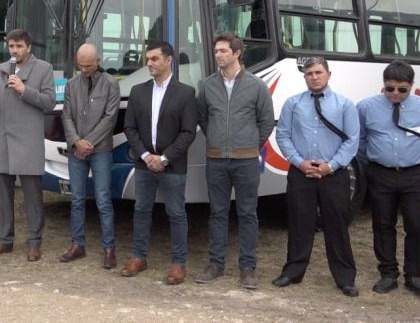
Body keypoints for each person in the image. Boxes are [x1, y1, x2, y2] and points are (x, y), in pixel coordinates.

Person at [272, 57, 359, 297]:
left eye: (319, 72)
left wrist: (330, 166)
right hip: (301, 174)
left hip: (333, 175)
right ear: (304, 77)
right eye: (309, 73)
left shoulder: (344, 105)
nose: (314, 77)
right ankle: (293, 271)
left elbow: (352, 140)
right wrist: (300, 163)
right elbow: (283, 136)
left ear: (328, 74)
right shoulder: (293, 103)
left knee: (336, 226)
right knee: (300, 224)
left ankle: (345, 278)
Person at [195, 33, 274, 289]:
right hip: (216, 161)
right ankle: (216, 264)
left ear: (237, 53)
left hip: (246, 162)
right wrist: (218, 142)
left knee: (247, 214)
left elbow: (265, 122)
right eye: (216, 50)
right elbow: (204, 119)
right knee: (217, 213)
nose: (217, 54)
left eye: (223, 51)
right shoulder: (207, 85)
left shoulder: (256, 85)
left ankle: (247, 268)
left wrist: (249, 145)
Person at [119, 41, 198, 284]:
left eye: (154, 59)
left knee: (176, 213)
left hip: (172, 164)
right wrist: (146, 156)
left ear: (168, 60)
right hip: (144, 164)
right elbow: (129, 128)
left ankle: (178, 264)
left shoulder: (186, 93)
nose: (149, 63)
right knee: (141, 210)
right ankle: (139, 257)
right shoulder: (138, 91)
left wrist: (164, 158)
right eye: (148, 59)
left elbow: (188, 132)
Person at [0, 28, 55, 262]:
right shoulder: (0, 69)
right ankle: (5, 240)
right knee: (3, 195)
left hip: (29, 141)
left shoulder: (44, 69)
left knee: (32, 196)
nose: (14, 50)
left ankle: (34, 242)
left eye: (19, 46)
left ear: (28, 47)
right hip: (3, 140)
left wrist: (25, 90)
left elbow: (50, 102)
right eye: (11, 46)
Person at [357, 59, 420, 297]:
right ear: (383, 85)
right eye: (390, 88)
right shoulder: (366, 107)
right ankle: (388, 273)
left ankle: (414, 275)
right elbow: (359, 139)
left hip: (415, 175)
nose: (395, 94)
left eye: (402, 89)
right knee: (382, 224)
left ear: (411, 85)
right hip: (381, 174)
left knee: (418, 225)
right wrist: (373, 162)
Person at [59, 43, 121, 269]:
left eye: (88, 65)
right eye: (80, 65)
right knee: (76, 199)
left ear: (98, 61)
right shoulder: (71, 84)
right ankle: (78, 245)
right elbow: (66, 116)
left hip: (101, 150)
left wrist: (88, 142)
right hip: (77, 150)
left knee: (103, 200)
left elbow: (110, 118)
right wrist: (76, 141)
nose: (84, 69)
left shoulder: (111, 84)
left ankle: (109, 249)